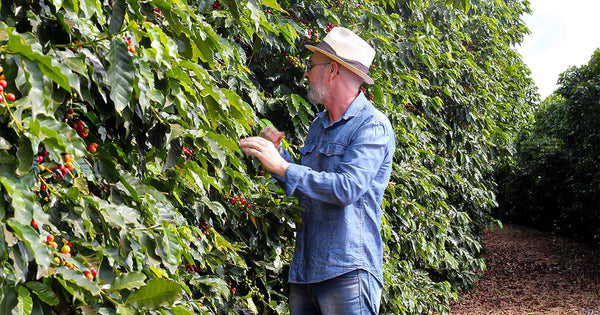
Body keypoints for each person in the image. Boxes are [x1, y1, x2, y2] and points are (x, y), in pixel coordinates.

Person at [240, 26, 395, 314]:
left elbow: (347, 188)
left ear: (333, 70)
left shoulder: (371, 126)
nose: (306, 73)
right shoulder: (318, 125)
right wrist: (277, 158)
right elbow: (308, 189)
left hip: (347, 271)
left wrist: (285, 167)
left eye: (312, 66)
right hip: (307, 270)